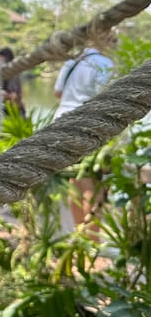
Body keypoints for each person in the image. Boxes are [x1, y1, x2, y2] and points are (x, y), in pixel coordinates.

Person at [53, 43, 115, 233]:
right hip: (86, 127)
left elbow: (58, 93)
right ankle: (92, 241)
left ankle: (79, 235)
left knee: (75, 181)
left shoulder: (72, 62)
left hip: (62, 124)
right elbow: (106, 99)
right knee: (91, 184)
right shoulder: (104, 63)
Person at [0, 47, 26, 118]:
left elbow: (16, 95)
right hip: (1, 108)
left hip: (13, 109)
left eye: (2, 58)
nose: (0, 60)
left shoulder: (15, 73)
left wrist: (7, 95)